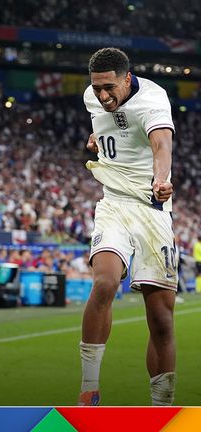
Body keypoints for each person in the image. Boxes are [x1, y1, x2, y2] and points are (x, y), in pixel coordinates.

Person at [78, 47, 177, 406]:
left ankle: (161, 406)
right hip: (114, 204)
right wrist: (98, 144)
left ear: (127, 79)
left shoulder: (152, 99)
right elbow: (108, 132)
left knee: (161, 318)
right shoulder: (92, 97)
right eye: (98, 88)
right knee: (104, 282)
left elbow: (161, 143)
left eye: (110, 88)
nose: (103, 96)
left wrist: (162, 180)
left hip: (153, 208)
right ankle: (88, 390)